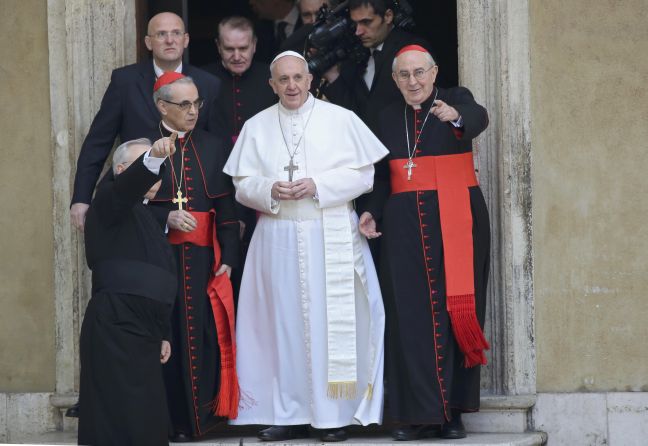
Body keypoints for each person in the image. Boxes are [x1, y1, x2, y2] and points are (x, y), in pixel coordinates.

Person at [223, 51, 388, 442]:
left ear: (310, 79)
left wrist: (319, 186)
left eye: (298, 78)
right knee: (280, 325)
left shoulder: (341, 119)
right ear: (272, 84)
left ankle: (337, 416)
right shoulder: (257, 126)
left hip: (329, 230)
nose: (292, 86)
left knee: (331, 325)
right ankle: (288, 412)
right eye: (283, 80)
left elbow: (365, 176)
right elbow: (241, 185)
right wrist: (268, 189)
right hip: (276, 237)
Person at [358, 45, 490, 440]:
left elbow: (478, 117)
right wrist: (370, 212)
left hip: (458, 219)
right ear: (395, 79)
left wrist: (457, 115)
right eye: (404, 75)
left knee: (457, 312)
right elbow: (381, 177)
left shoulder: (457, 99)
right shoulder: (384, 116)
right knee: (408, 317)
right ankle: (418, 414)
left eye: (419, 73)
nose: (413, 81)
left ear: (433, 73)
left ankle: (452, 413)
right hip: (403, 228)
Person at [149, 72, 240, 441]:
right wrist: (165, 215)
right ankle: (173, 422)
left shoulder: (214, 146)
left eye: (196, 104)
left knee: (204, 334)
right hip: (159, 261)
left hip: (205, 259)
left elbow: (228, 207)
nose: (192, 112)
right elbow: (127, 204)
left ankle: (206, 420)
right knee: (168, 336)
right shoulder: (145, 147)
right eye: (184, 105)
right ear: (162, 106)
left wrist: (230, 256)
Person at [70, 12, 223, 232]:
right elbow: (98, 142)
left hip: (189, 204)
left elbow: (216, 147)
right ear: (148, 42)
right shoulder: (125, 81)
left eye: (176, 33)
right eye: (161, 34)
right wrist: (81, 198)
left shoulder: (208, 84)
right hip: (137, 201)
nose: (170, 40)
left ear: (186, 40)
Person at [78, 136, 178, 445]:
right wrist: (153, 157)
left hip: (144, 330)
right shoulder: (107, 202)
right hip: (115, 324)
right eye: (148, 166)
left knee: (148, 420)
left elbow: (160, 276)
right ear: (121, 169)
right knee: (118, 422)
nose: (156, 175)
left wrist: (164, 333)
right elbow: (123, 189)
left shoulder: (144, 215)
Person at [202, 16, 277, 296]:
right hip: (216, 186)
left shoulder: (272, 82)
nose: (236, 56)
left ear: (255, 45)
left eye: (243, 48)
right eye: (229, 49)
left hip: (263, 187)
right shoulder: (203, 81)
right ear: (218, 47)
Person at [321, 0, 428, 132]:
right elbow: (357, 114)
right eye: (355, 23)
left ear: (388, 16)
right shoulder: (357, 57)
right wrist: (332, 75)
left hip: (406, 148)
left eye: (366, 22)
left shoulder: (412, 50)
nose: (358, 31)